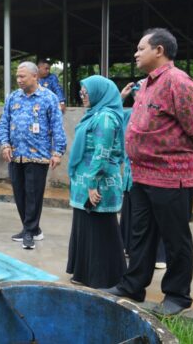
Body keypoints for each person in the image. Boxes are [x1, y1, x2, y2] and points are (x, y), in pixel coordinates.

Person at [102, 28, 193, 317]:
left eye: (141, 48)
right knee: (140, 235)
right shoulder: (148, 84)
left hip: (171, 175)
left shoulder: (178, 82)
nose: (136, 53)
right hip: (142, 175)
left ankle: (177, 295)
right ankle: (133, 285)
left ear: (159, 50)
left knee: (175, 238)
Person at [66, 75, 127, 289]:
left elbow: (102, 153)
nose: (83, 96)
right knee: (85, 227)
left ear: (99, 93)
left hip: (99, 182)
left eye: (86, 92)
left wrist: (92, 184)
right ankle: (84, 272)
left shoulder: (105, 118)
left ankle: (104, 276)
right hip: (85, 181)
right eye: (81, 92)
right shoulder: (94, 114)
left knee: (101, 229)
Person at [0, 62, 67, 249]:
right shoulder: (13, 97)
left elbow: (57, 127)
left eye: (22, 76)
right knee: (19, 194)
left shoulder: (48, 98)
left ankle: (29, 231)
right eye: (17, 77)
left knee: (33, 194)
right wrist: (4, 145)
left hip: (38, 155)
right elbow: (4, 123)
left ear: (35, 76)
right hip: (15, 154)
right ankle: (33, 229)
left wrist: (57, 152)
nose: (19, 80)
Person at [120, 81, 167, 270]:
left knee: (156, 216)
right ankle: (130, 248)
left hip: (154, 175)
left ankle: (159, 255)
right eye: (135, 93)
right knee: (133, 215)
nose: (137, 96)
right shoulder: (128, 115)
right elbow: (112, 113)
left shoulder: (158, 114)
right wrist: (121, 97)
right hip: (131, 176)